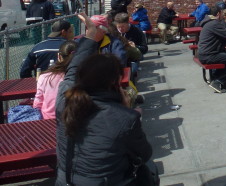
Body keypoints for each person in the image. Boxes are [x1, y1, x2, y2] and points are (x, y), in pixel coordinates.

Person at [55, 13, 153, 185]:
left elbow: (73, 70)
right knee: (150, 169)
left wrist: (90, 37)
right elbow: (144, 153)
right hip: (107, 182)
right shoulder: (125, 118)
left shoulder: (64, 99)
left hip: (64, 180)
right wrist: (127, 110)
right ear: (115, 81)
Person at [197, 5, 226, 93]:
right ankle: (219, 81)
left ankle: (217, 77)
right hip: (209, 54)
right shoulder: (215, 23)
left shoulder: (208, 23)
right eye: (222, 13)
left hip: (204, 53)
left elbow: (222, 36)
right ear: (218, 14)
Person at [33, 40, 77, 119]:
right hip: (74, 122)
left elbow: (37, 104)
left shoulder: (44, 77)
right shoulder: (84, 77)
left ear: (59, 56)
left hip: (47, 121)